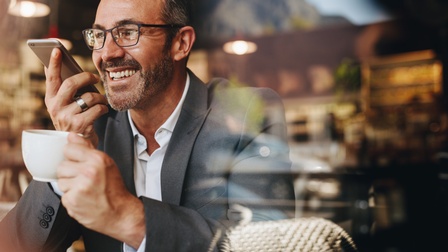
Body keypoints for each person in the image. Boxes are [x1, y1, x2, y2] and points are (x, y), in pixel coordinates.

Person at [0, 0, 295, 251]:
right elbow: (16, 244)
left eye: (127, 32)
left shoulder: (246, 116)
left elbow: (269, 244)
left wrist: (130, 217)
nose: (107, 53)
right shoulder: (92, 130)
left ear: (181, 43)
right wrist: (64, 147)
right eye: (99, 36)